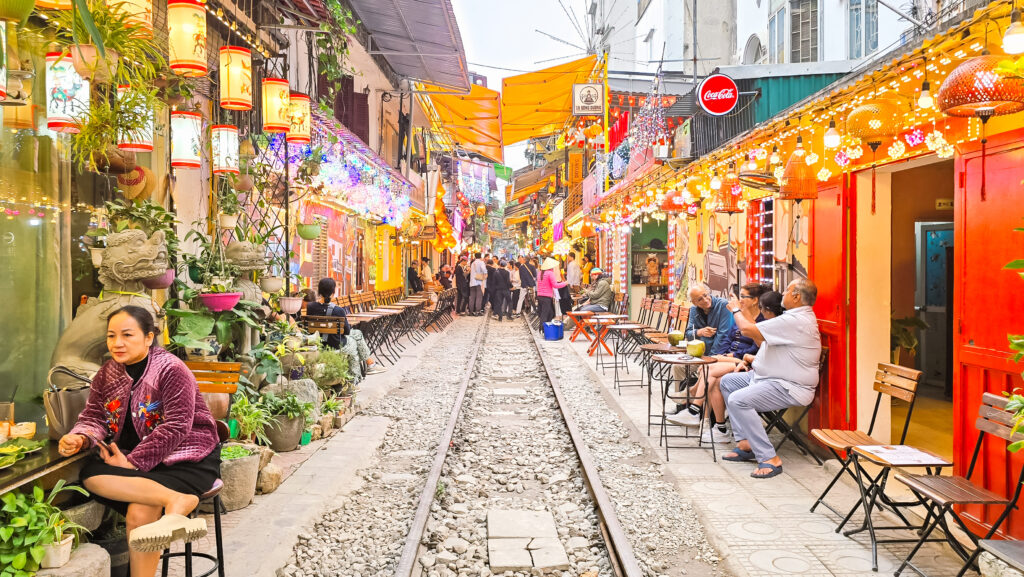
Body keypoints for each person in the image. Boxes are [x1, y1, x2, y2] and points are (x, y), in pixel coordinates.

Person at [60, 306, 219, 574]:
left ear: (148, 337)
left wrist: (133, 463)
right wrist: (80, 437)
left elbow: (178, 425)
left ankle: (176, 500)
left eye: (127, 335)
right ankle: (176, 501)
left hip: (187, 459)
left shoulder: (171, 368)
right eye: (111, 336)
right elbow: (94, 417)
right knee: (90, 474)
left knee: (139, 512)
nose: (117, 343)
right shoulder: (106, 374)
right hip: (139, 465)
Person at [720, 279, 822, 479]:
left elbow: (748, 331)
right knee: (728, 382)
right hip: (769, 378)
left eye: (786, 290)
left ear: (796, 296)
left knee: (738, 400)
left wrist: (735, 310)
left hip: (788, 386)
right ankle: (746, 443)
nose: (782, 293)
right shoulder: (793, 317)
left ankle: (769, 458)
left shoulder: (795, 320)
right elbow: (761, 339)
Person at [666, 283, 770, 439]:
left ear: (755, 300)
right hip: (723, 356)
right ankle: (707, 421)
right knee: (697, 371)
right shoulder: (739, 315)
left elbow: (753, 347)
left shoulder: (758, 320)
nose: (738, 300)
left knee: (708, 370)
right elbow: (727, 336)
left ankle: (694, 406)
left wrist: (724, 356)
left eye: (742, 296)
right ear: (694, 302)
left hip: (743, 362)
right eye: (699, 299)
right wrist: (702, 334)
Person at [684, 284, 735, 354]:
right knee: (676, 365)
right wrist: (700, 332)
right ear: (694, 302)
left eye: (705, 295)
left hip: (722, 353)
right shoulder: (693, 309)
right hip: (700, 353)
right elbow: (688, 334)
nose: (705, 300)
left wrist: (711, 357)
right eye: (700, 299)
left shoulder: (723, 305)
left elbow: (723, 335)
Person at [306, 278, 351, 349]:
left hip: (317, 344)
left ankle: (369, 360)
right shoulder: (339, 310)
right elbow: (347, 331)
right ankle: (369, 360)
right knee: (358, 336)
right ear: (333, 292)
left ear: (319, 291)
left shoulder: (310, 307)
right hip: (336, 345)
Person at [536, 257, 567, 326]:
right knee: (547, 314)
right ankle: (544, 329)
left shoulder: (540, 273)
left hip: (540, 296)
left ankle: (545, 328)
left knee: (549, 313)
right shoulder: (550, 273)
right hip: (547, 297)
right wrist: (565, 283)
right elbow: (555, 285)